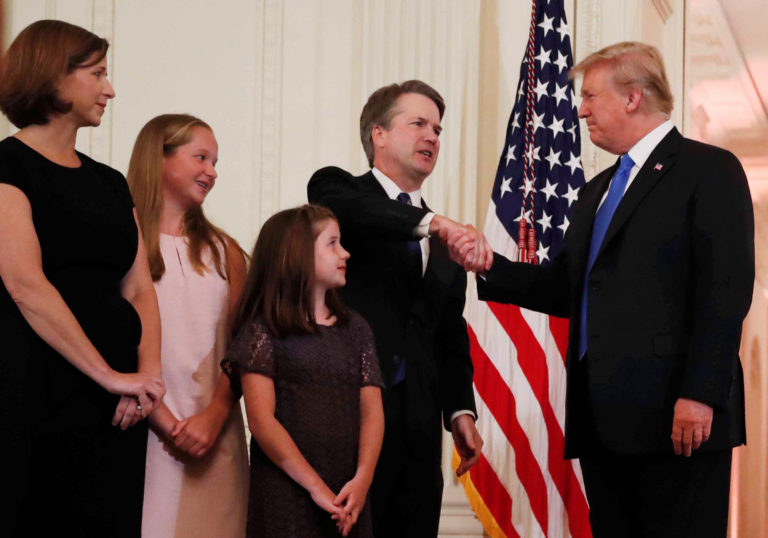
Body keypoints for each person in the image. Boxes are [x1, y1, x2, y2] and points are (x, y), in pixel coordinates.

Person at [459, 42, 754, 537]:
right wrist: (489, 265)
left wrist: (699, 394)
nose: (581, 110)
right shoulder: (597, 192)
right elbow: (565, 287)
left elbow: (724, 292)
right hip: (603, 423)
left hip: (676, 420)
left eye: (592, 96)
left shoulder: (708, 169)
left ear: (633, 97)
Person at [0, 20, 165, 536]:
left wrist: (147, 379)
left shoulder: (111, 182)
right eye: (96, 74)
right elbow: (25, 284)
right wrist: (110, 375)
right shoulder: (8, 165)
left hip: (118, 403)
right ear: (53, 76)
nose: (109, 88)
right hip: (37, 391)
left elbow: (139, 287)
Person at [308, 80, 491, 537]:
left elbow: (448, 334)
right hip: (348, 421)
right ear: (379, 134)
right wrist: (435, 224)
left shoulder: (441, 240)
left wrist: (460, 412)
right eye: (418, 124)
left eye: (437, 129)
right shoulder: (338, 191)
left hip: (419, 431)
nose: (432, 136)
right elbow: (360, 211)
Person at [221, 204, 385, 537]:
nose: (345, 253)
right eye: (332, 243)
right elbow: (262, 421)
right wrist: (314, 486)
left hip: (348, 492)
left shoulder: (356, 329)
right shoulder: (263, 330)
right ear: (296, 254)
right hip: (287, 491)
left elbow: (372, 413)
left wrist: (363, 480)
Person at [126, 114, 249, 537]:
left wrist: (214, 416)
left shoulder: (225, 251)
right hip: (138, 431)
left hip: (215, 435)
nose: (212, 171)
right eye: (201, 157)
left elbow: (246, 345)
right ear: (159, 158)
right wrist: (161, 419)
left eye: (215, 162)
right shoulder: (120, 239)